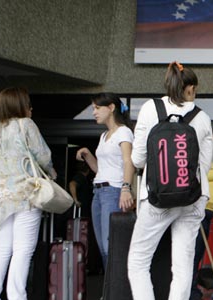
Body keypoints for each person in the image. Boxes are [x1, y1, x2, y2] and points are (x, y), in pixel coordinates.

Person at [127, 61, 213, 300]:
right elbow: (202, 167)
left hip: (157, 196)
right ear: (192, 88)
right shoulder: (203, 118)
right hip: (192, 198)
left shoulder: (149, 108)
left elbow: (137, 158)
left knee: (138, 260)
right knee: (183, 266)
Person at [0, 87, 58, 299]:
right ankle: (16, 295)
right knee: (23, 250)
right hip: (27, 195)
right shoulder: (25, 124)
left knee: (0, 249)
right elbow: (43, 156)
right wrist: (51, 173)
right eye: (27, 103)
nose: (30, 108)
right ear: (20, 105)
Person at [76, 92, 135, 270]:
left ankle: (118, 292)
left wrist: (126, 188)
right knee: (103, 247)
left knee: (112, 247)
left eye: (97, 108)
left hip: (114, 191)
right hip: (99, 192)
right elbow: (100, 170)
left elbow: (128, 160)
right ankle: (110, 290)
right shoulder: (104, 136)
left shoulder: (124, 132)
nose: (94, 112)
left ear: (111, 108)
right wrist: (87, 154)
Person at [190, 131, 213, 300]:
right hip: (200, 211)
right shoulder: (196, 160)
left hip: (209, 213)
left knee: (199, 252)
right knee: (194, 253)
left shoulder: (208, 160)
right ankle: (191, 292)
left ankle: (194, 288)